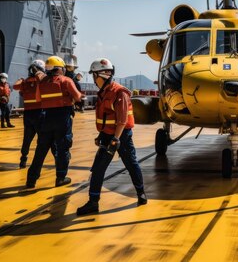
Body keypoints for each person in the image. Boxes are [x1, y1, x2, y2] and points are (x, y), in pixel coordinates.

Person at [77, 58, 147, 215]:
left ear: (101, 75)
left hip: (121, 137)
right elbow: (107, 117)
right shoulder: (104, 93)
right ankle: (93, 202)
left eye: (94, 76)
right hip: (108, 135)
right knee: (98, 169)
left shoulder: (119, 92)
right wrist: (101, 135)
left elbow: (122, 120)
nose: (94, 81)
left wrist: (116, 139)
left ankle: (141, 193)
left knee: (131, 164)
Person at [26, 56, 81, 188]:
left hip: (47, 118)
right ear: (60, 68)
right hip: (63, 118)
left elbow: (38, 99)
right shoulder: (66, 80)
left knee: (41, 150)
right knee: (62, 149)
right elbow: (78, 96)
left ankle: (31, 180)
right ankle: (60, 178)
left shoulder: (42, 82)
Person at [13, 60, 46, 169]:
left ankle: (23, 160)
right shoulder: (41, 81)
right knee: (43, 139)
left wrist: (21, 80)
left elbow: (15, 87)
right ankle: (38, 162)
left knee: (27, 138)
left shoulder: (25, 82)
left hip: (28, 114)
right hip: (39, 113)